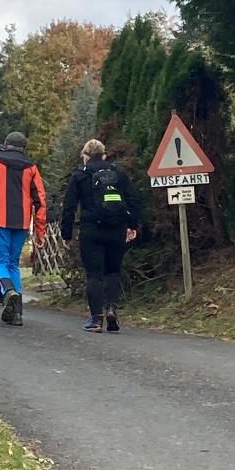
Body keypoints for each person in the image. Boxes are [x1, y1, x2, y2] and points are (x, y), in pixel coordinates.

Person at [60, 138, 140, 333]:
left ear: (85, 156)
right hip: (116, 229)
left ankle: (96, 320)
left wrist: (67, 234)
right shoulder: (118, 173)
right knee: (113, 271)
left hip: (91, 230)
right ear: (104, 155)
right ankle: (112, 308)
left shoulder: (80, 175)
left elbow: (69, 207)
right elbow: (133, 199)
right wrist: (132, 225)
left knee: (94, 275)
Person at [0, 132, 46, 326]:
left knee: (0, 263)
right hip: (22, 221)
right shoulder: (31, 167)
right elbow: (40, 201)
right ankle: (17, 314)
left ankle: (8, 291)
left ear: (6, 145)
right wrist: (40, 231)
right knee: (13, 264)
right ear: (25, 147)